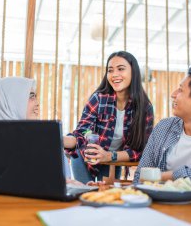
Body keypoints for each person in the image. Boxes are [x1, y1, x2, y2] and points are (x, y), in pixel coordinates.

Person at [64, 51, 154, 184]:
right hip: (85, 157)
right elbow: (82, 133)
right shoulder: (98, 99)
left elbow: (140, 150)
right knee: (84, 194)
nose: (114, 74)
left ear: (133, 72)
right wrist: (58, 139)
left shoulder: (144, 108)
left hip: (113, 160)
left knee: (105, 197)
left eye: (121, 69)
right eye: (110, 70)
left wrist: (109, 156)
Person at [0, 77, 74, 182]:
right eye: (31, 96)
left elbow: (67, 186)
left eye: (35, 96)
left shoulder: (45, 144)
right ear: (11, 101)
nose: (37, 103)